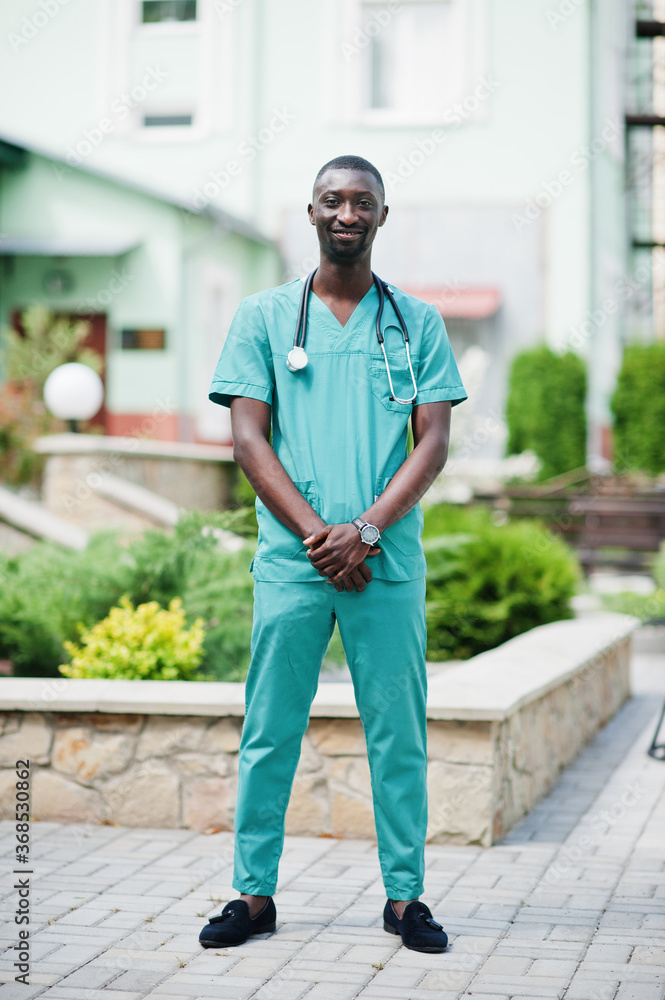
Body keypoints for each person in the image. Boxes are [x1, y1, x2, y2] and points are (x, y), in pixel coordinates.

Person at [199, 155, 467, 954]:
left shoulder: (415, 322)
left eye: (362, 202)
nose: (346, 213)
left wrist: (368, 531)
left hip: (383, 562)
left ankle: (405, 898)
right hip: (293, 562)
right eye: (331, 201)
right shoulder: (263, 317)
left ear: (383, 216)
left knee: (397, 731)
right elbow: (248, 438)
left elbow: (433, 441)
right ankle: (253, 895)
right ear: (309, 214)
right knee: (269, 727)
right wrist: (321, 534)